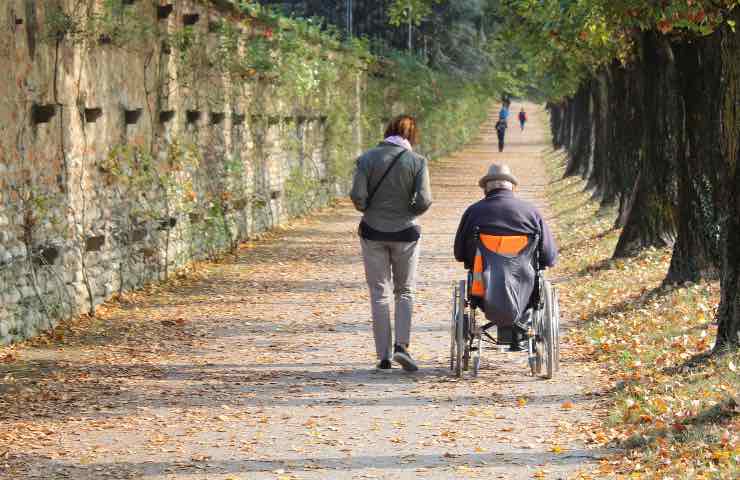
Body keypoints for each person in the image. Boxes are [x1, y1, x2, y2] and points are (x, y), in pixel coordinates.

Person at [350, 115, 433, 373]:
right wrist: (408, 212)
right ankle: (402, 346)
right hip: (406, 234)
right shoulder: (417, 162)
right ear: (412, 137)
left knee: (379, 294)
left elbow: (358, 196)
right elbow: (425, 199)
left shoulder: (366, 159)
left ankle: (383, 356)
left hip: (372, 232)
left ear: (387, 132)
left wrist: (368, 209)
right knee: (405, 291)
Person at [453, 163, 557, 350]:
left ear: (486, 188)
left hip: (482, 288)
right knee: (529, 277)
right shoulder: (531, 213)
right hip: (525, 289)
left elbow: (459, 254)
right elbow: (549, 257)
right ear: (512, 187)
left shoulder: (473, 212)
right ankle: (520, 333)